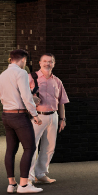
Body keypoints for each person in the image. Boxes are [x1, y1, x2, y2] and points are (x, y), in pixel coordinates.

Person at [0, 50, 44, 194]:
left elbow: (7, 96)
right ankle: (24, 185)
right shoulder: (21, 73)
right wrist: (35, 114)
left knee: (11, 150)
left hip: (6, 115)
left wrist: (28, 99)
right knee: (29, 148)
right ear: (23, 60)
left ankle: (12, 184)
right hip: (19, 116)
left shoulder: (2, 75)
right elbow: (25, 95)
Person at [29, 53, 69, 185]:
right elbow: (19, 96)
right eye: (45, 61)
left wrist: (62, 119)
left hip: (53, 116)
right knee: (31, 147)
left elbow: (61, 101)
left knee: (49, 147)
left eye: (50, 62)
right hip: (36, 117)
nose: (47, 64)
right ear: (40, 63)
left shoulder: (57, 81)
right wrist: (31, 99)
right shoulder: (31, 78)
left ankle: (40, 174)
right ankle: (28, 177)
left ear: (53, 64)